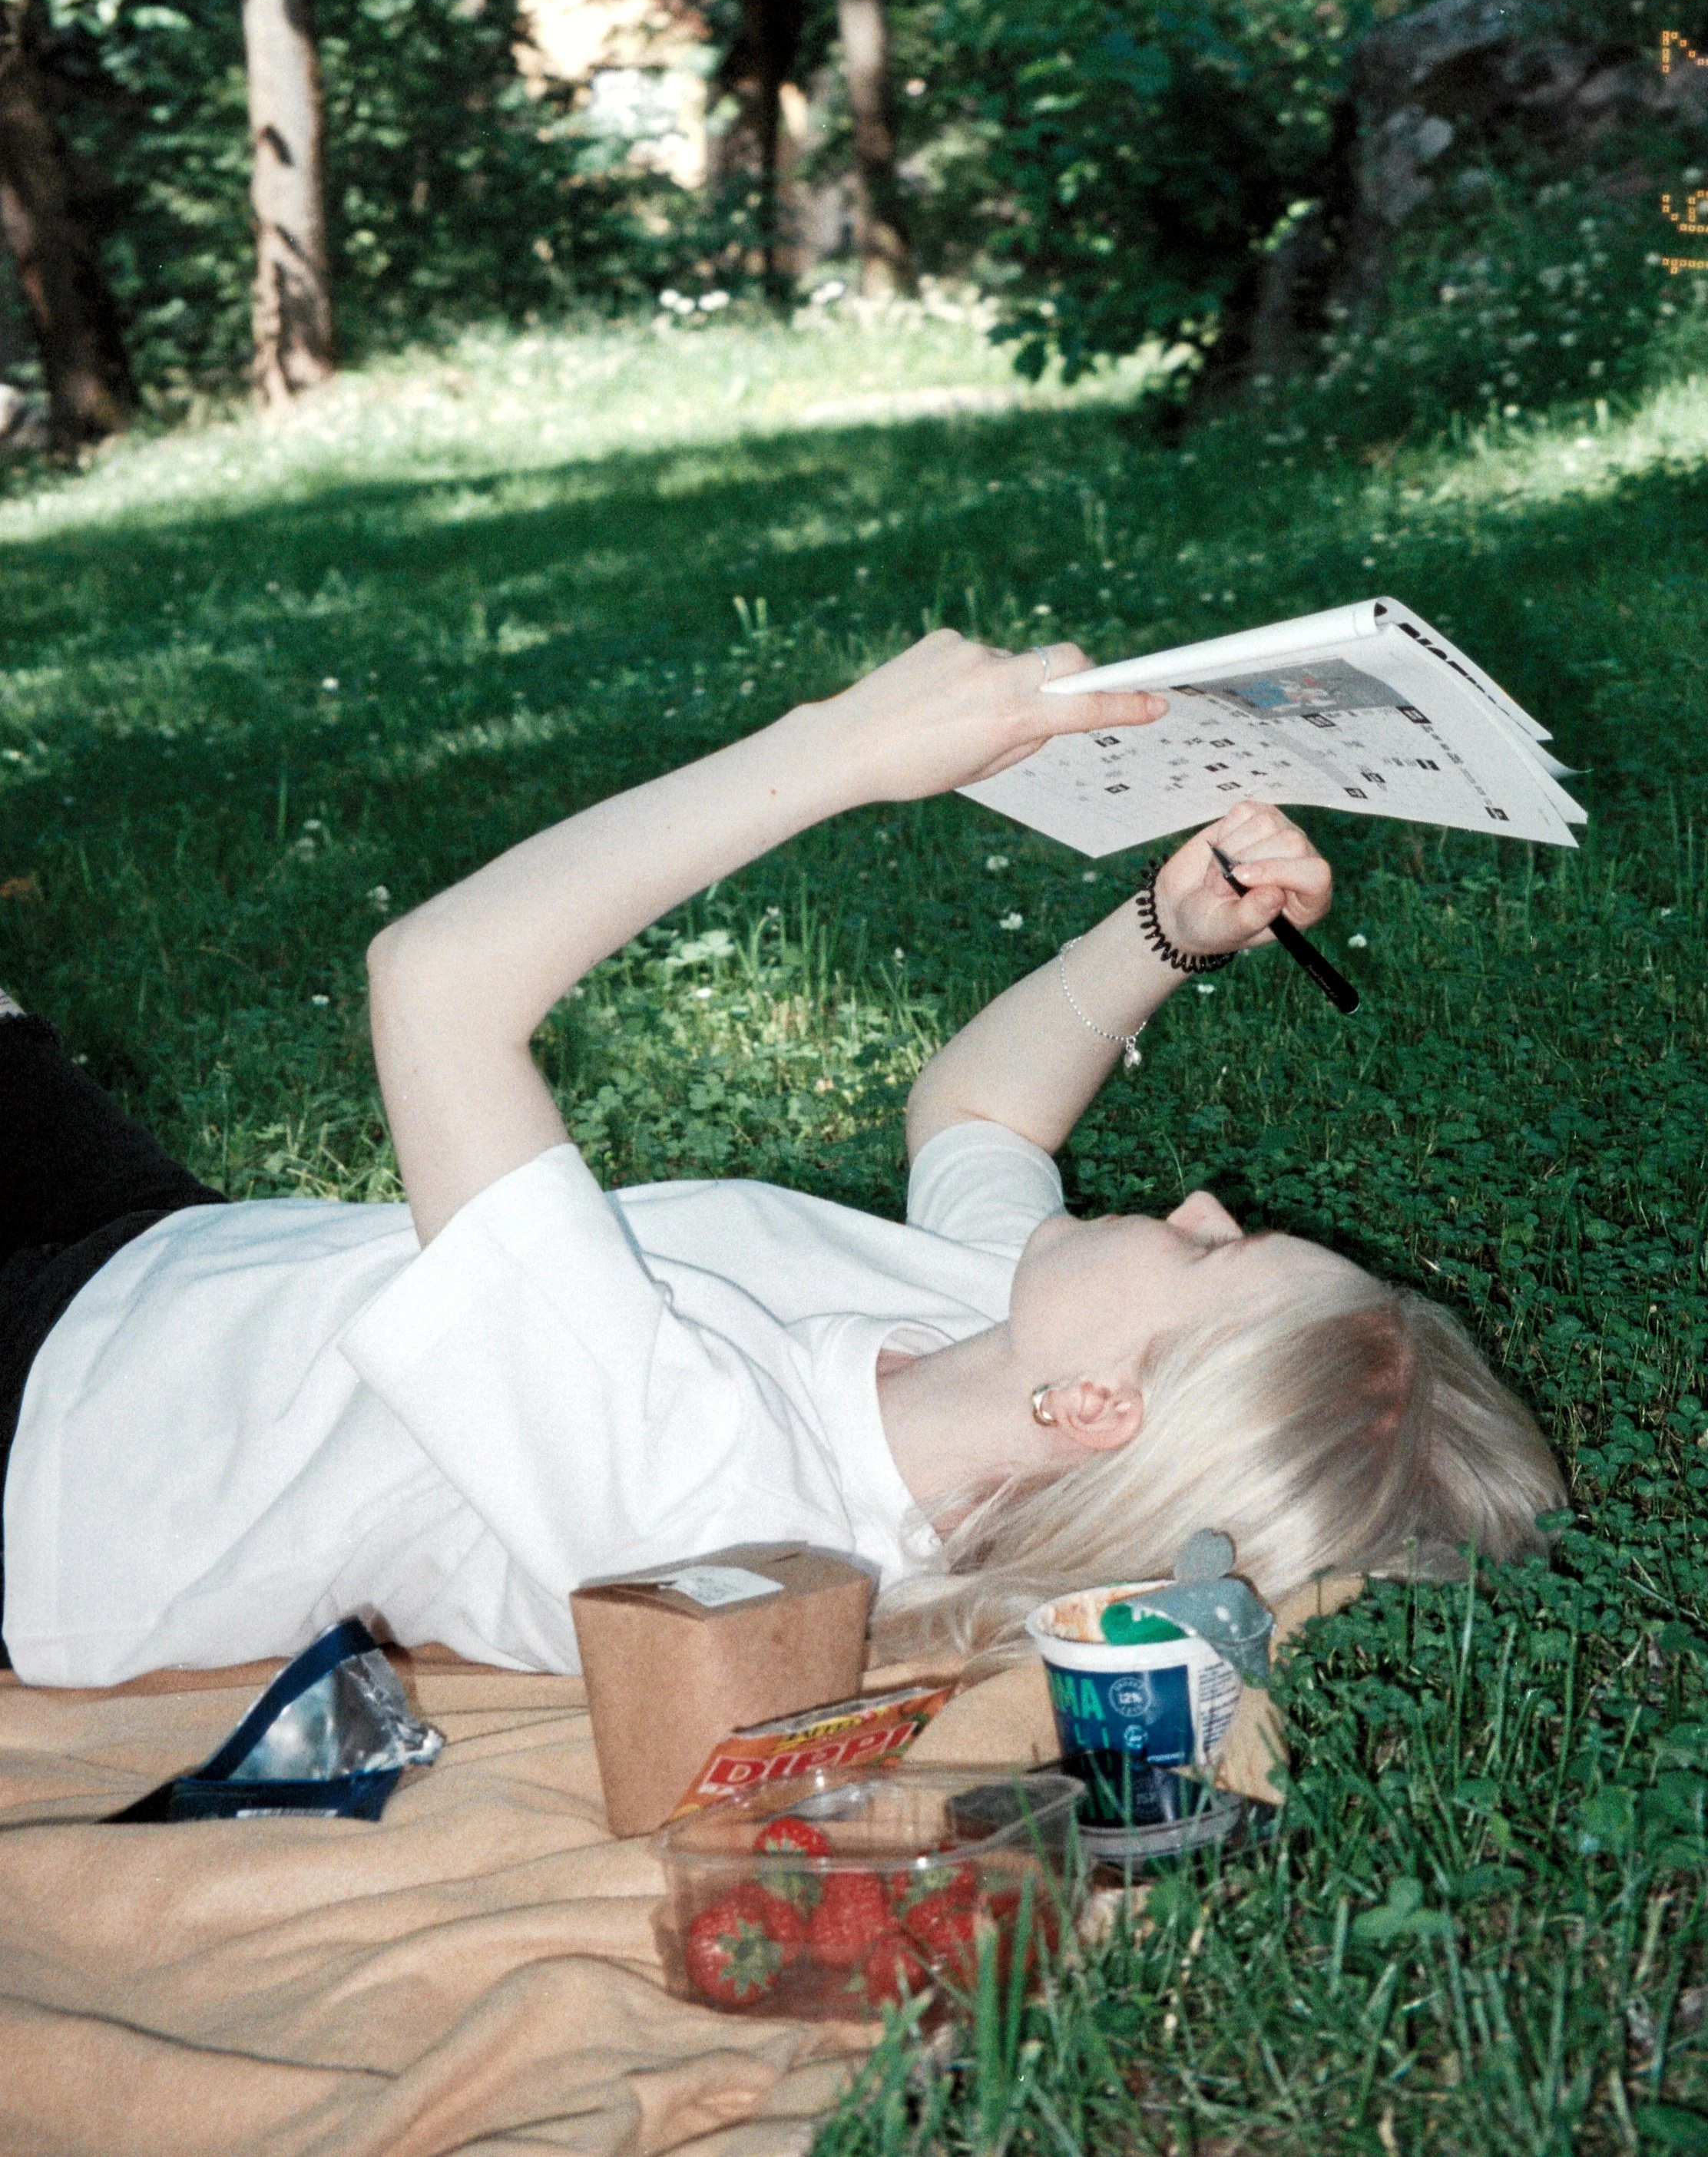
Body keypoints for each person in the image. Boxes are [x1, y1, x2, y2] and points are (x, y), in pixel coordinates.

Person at [0, 630, 1562, 1686]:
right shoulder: (986, 1334)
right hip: (162, 1272)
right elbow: (979, 1113)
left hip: (42, 1461)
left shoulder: (715, 1509)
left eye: (1212, 1254)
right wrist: (1164, 930)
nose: (1210, 1203)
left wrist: (837, 747)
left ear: (1097, 1408)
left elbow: (437, 982)